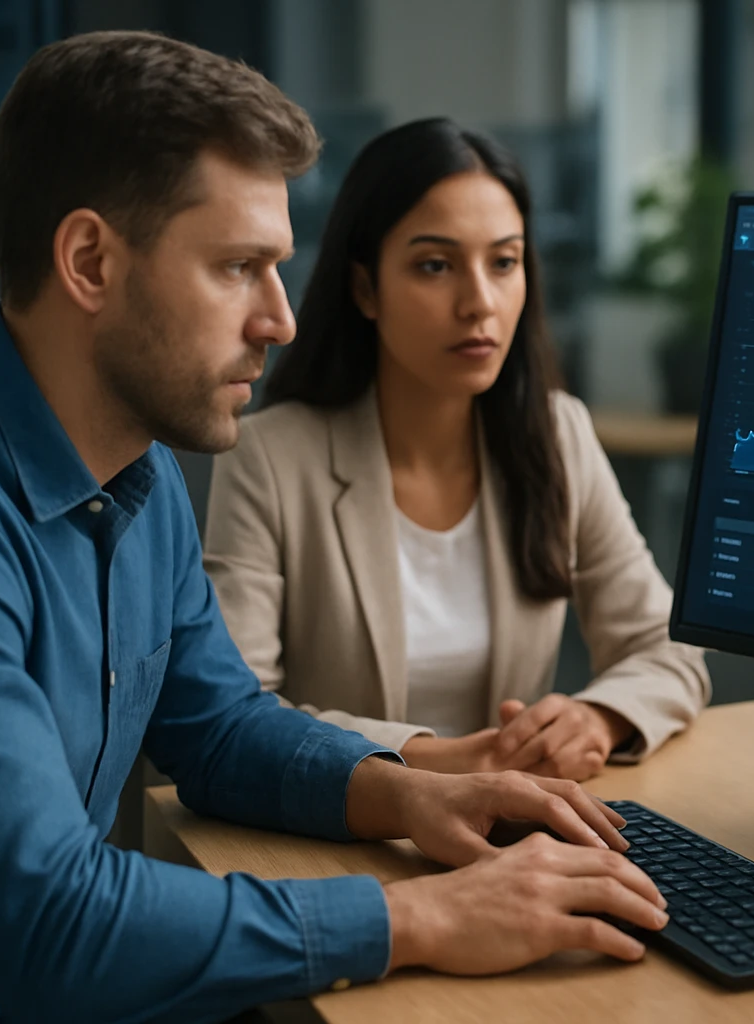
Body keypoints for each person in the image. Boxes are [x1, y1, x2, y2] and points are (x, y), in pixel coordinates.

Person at [0, 32, 669, 1024]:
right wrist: (416, 917)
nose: (279, 318)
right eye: (239, 267)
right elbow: (51, 926)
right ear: (90, 262)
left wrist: (414, 794)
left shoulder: (134, 469)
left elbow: (223, 729)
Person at [202, 119, 710, 782]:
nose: (480, 303)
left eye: (504, 262)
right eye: (435, 266)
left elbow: (666, 651)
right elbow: (238, 714)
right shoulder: (270, 458)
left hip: (513, 834)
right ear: (364, 289)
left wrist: (598, 717)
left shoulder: (558, 436)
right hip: (343, 837)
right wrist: (434, 761)